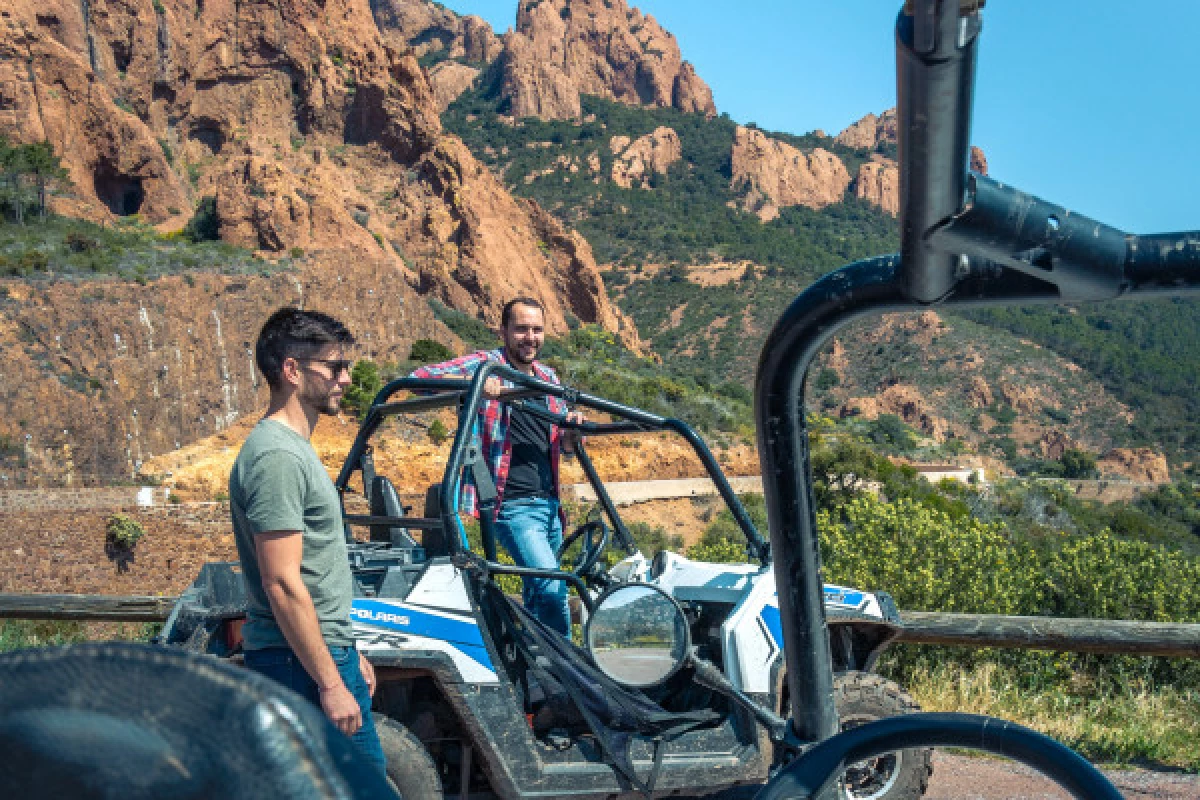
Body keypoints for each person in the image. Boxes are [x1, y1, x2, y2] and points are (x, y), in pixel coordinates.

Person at [228, 307, 386, 773]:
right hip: (296, 663)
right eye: (335, 367)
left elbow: (313, 573)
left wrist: (348, 653)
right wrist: (330, 682)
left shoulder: (294, 450)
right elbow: (281, 583)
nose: (346, 379)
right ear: (293, 371)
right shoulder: (276, 456)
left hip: (315, 656)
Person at [411, 297, 583, 636]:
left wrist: (573, 431)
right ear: (502, 330)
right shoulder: (486, 365)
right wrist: (473, 386)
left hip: (550, 505)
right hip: (513, 505)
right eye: (520, 329)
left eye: (536, 329)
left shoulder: (548, 378)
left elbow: (564, 448)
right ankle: (566, 672)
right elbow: (418, 378)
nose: (529, 337)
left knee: (539, 593)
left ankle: (535, 667)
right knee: (552, 589)